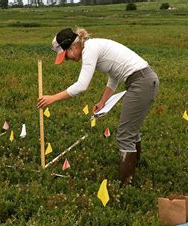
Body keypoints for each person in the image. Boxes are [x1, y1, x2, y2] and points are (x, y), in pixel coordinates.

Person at [36, 28, 159, 185]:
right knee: (130, 131)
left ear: (73, 47)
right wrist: (102, 102)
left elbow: (82, 85)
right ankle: (135, 167)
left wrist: (53, 98)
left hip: (141, 82)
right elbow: (114, 76)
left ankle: (126, 184)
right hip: (143, 81)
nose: (67, 59)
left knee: (125, 134)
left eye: (65, 55)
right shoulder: (93, 46)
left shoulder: (90, 50)